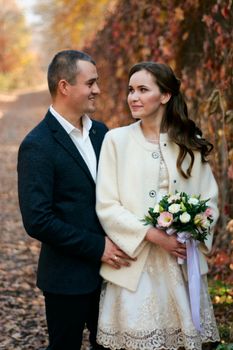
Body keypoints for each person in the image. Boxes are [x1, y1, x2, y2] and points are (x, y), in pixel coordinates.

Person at [95, 62, 220, 350]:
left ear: (164, 96)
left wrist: (192, 231)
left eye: (142, 90)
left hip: (180, 264)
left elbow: (209, 201)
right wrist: (151, 235)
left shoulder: (190, 142)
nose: (133, 97)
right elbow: (107, 204)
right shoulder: (116, 140)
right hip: (134, 265)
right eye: (130, 90)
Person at [17, 50, 132, 350]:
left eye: (97, 82)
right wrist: (97, 247)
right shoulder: (37, 145)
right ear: (65, 86)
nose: (98, 89)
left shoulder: (102, 133)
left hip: (114, 274)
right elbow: (37, 220)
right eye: (90, 83)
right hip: (66, 280)